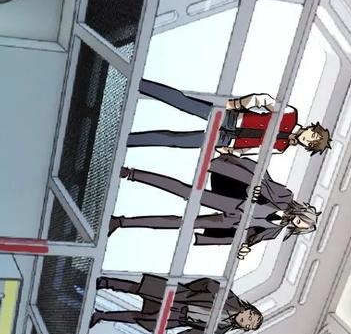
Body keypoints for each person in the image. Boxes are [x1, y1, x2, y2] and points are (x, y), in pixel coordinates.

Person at [109, 151, 319, 256]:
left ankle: (121, 222)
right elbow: (265, 185)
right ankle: (131, 174)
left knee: (182, 223)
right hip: (233, 198)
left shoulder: (274, 232)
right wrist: (253, 192)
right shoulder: (286, 197)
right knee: (184, 190)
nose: (299, 222)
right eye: (303, 220)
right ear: (302, 211)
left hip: (228, 222)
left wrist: (244, 248)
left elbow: (250, 238)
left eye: (302, 225)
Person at [128, 81, 331, 157]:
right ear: (311, 128)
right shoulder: (290, 114)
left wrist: (233, 152)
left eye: (311, 144)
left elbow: (255, 150)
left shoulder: (282, 147)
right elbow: (262, 100)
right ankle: (140, 84)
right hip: (231, 118)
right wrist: (235, 104)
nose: (308, 139)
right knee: (183, 102)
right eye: (312, 136)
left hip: (227, 141)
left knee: (176, 140)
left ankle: (129, 140)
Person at [87, 273, 263, 334]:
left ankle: (101, 316)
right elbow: (209, 284)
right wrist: (189, 291)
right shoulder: (229, 298)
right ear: (248, 309)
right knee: (140, 289)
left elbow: (196, 333)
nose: (246, 321)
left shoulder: (221, 329)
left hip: (177, 317)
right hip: (181, 297)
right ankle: (107, 283)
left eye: (249, 325)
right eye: (250, 317)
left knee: (139, 318)